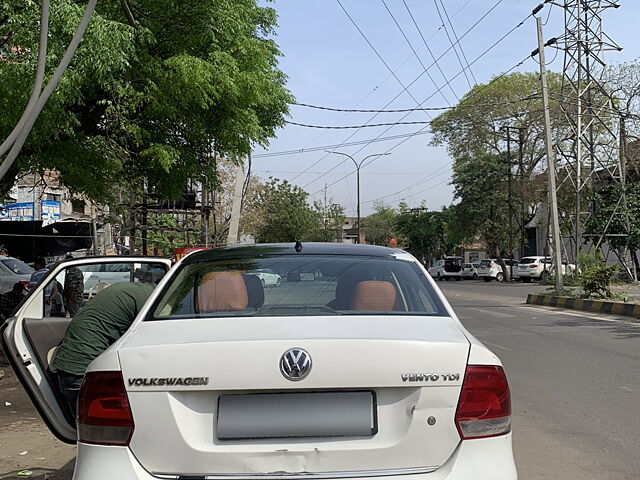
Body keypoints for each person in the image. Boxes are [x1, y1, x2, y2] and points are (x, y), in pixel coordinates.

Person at [52, 279, 157, 417]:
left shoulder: (130, 289)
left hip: (69, 367)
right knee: (103, 433)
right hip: (84, 372)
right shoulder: (151, 300)